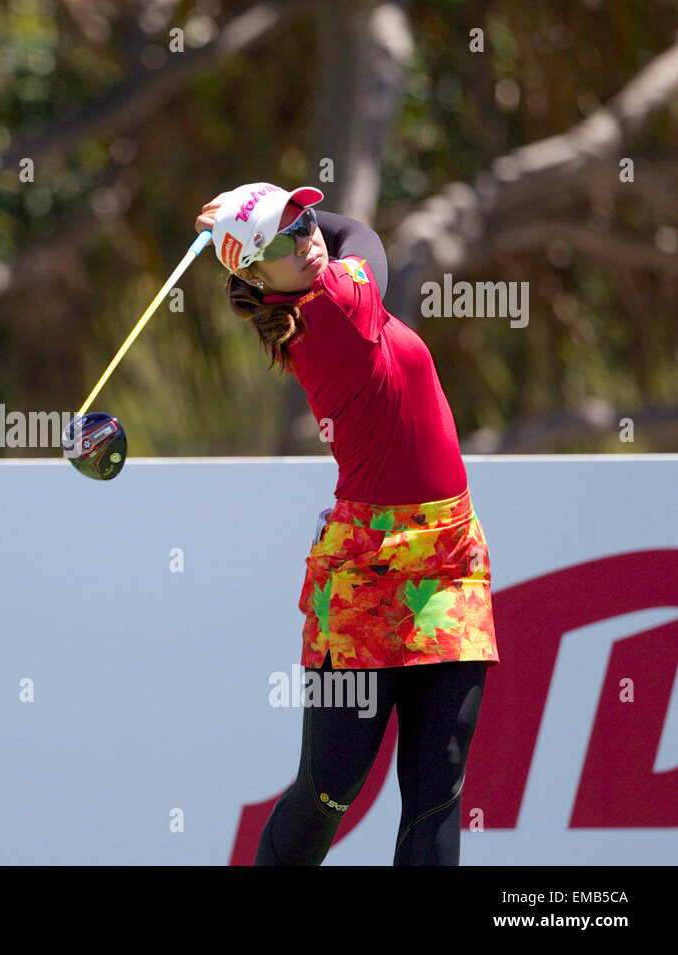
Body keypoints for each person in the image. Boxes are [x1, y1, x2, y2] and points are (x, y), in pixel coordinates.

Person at [194, 183, 499, 866]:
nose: (304, 237)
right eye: (279, 238)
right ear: (251, 274)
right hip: (366, 574)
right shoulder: (333, 303)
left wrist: (251, 214)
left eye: (303, 220)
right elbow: (363, 234)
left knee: (437, 788)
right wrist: (259, 212)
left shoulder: (314, 291)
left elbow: (338, 231)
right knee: (329, 790)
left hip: (450, 558)